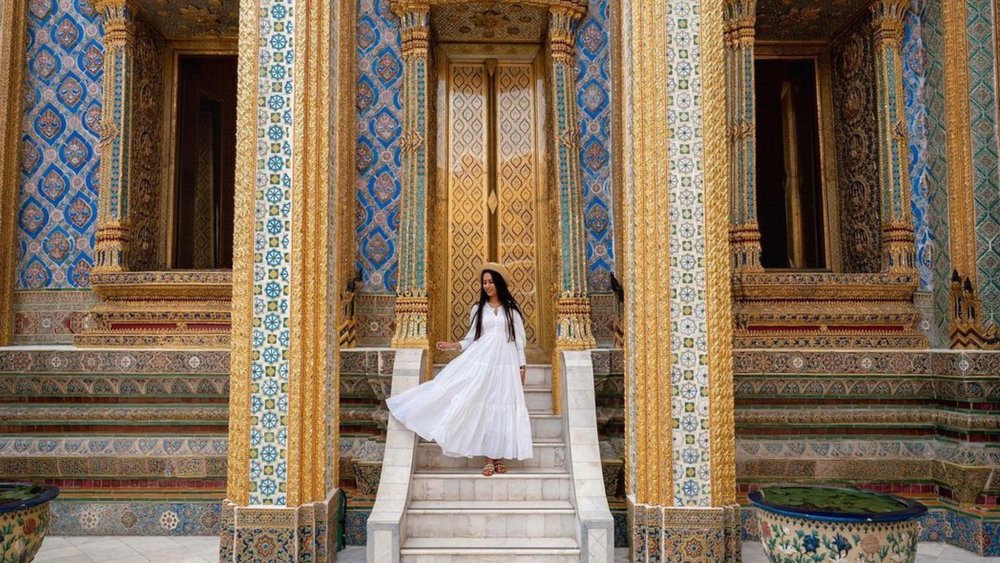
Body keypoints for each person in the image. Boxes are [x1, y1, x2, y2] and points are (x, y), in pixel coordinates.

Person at [386, 262, 533, 476]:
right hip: (482, 362)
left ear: (499, 283)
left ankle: (498, 456)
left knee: (502, 405)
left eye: (491, 282)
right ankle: (489, 458)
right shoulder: (478, 309)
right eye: (484, 282)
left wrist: (522, 367)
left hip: (506, 364)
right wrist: (453, 346)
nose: (487, 286)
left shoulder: (512, 310)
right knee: (485, 405)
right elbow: (471, 338)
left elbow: (519, 341)